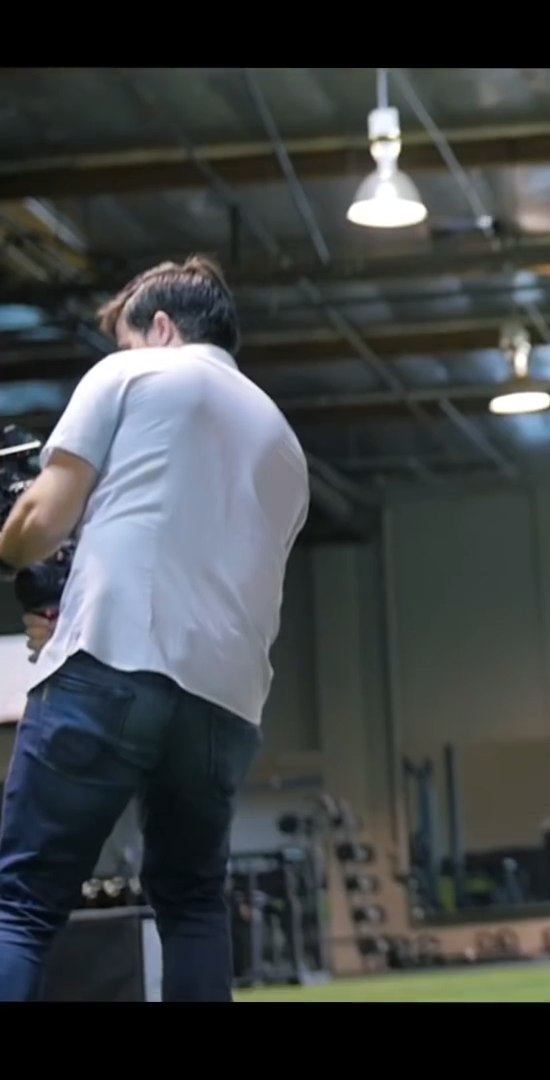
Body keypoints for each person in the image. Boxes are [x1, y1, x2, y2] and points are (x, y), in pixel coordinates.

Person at [0, 256, 310, 1001]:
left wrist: (12, 548)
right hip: (226, 705)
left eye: (128, 337)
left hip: (113, 663)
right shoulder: (285, 445)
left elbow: (41, 522)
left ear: (161, 326)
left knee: (22, 903)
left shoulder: (131, 373)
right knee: (194, 903)